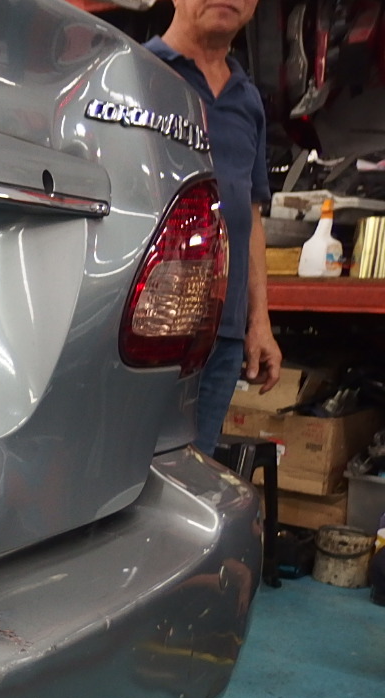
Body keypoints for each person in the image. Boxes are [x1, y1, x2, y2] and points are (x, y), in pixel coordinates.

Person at [145, 0, 284, 455]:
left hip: (221, 335)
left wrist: (259, 322)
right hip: (147, 331)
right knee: (125, 471)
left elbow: (251, 216)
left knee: (192, 467)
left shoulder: (247, 99)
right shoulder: (141, 74)